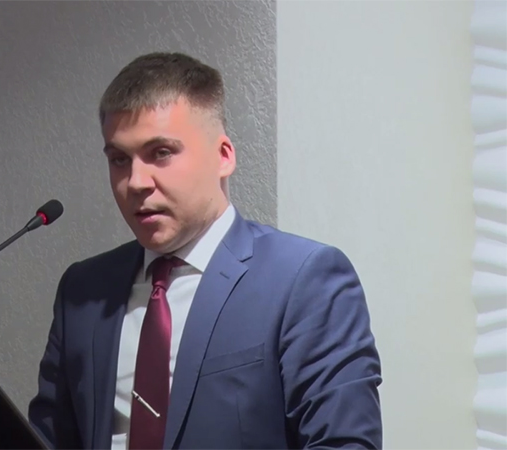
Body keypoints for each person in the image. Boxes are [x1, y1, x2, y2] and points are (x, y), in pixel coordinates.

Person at [27, 52, 383, 449]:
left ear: (223, 156)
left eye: (161, 152)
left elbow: (344, 443)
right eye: (119, 160)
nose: (136, 181)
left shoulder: (303, 280)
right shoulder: (83, 290)